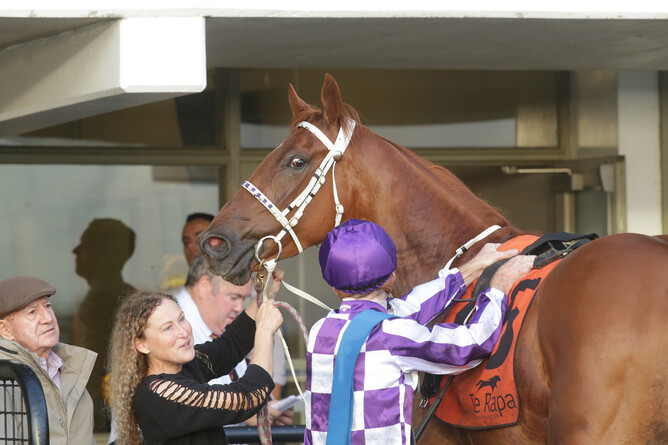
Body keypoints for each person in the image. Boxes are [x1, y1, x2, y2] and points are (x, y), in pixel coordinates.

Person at [305, 219, 535, 444]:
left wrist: (474, 266)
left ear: (334, 287)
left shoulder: (319, 331)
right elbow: (472, 344)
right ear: (391, 277)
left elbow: (407, 308)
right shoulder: (393, 333)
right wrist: (498, 289)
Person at [108, 283, 284, 445]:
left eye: (181, 319)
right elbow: (249, 398)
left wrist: (265, 291)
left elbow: (229, 346)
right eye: (168, 328)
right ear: (141, 344)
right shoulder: (161, 392)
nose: (183, 332)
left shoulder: (184, 365)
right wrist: (265, 331)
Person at [175, 254, 292, 426]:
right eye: (234, 297)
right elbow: (181, 404)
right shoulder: (176, 329)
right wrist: (246, 410)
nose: (239, 307)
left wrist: (267, 409)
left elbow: (231, 345)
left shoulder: (214, 329)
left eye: (244, 299)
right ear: (205, 287)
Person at [0, 275, 96, 444]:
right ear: (5, 330)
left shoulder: (72, 369)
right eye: (32, 312)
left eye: (48, 306)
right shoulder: (4, 379)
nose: (48, 318)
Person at [71, 217, 136, 431]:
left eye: (85, 246)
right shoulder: (123, 296)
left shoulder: (104, 301)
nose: (75, 251)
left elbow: (94, 366)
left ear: (104, 255)